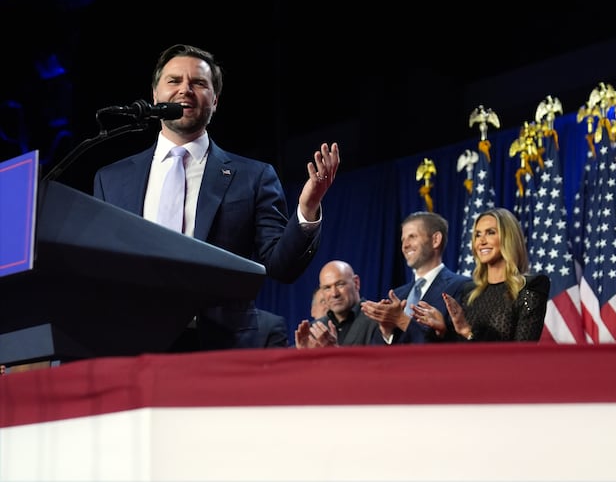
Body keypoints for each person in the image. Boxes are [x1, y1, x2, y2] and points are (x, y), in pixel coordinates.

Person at [93, 43, 340, 351]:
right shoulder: (112, 179)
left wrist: (307, 208)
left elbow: (281, 267)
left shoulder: (253, 176)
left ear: (215, 100)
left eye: (198, 83)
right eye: (174, 81)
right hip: (132, 344)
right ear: (155, 94)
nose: (185, 90)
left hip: (220, 344)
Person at [420, 207, 549, 342]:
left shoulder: (531, 286)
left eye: (490, 233)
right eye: (477, 235)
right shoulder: (469, 291)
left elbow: (523, 351)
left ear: (509, 238)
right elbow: (459, 349)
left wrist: (467, 332)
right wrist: (442, 330)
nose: (481, 241)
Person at [360, 211, 470, 344]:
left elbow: (456, 346)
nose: (405, 245)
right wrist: (387, 331)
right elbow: (376, 353)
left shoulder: (463, 287)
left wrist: (401, 320)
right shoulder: (397, 295)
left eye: (412, 237)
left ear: (436, 240)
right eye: (403, 240)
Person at [294, 260, 379, 348]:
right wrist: (304, 356)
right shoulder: (315, 329)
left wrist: (334, 352)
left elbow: (381, 360)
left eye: (340, 285)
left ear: (356, 283)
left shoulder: (377, 319)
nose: (334, 294)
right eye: (327, 288)